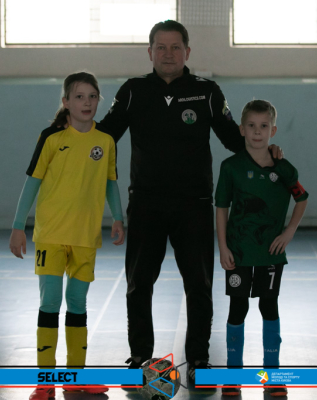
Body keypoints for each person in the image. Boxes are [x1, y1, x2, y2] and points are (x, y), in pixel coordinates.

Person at [95, 20, 283, 382]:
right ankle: (140, 356)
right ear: (150, 52)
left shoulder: (206, 92)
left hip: (193, 205)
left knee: (199, 285)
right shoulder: (133, 91)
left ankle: (198, 358)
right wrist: (68, 131)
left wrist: (267, 150)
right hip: (146, 204)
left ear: (187, 52)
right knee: (139, 284)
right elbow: (104, 135)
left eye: (175, 47)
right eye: (161, 47)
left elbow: (234, 139)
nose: (168, 54)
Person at [8, 72, 125, 400]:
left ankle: (75, 377)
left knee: (77, 303)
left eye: (92, 96)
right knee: (50, 303)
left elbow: (110, 182)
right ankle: (45, 382)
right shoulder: (51, 137)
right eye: (79, 97)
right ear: (66, 102)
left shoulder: (106, 141)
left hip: (85, 237)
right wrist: (18, 226)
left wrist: (118, 217)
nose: (87, 103)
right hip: (51, 235)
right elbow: (32, 181)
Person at [214, 100, 308, 397]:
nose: (257, 132)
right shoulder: (231, 167)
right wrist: (222, 246)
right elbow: (221, 208)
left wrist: (289, 232)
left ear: (273, 131)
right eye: (251, 126)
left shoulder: (283, 169)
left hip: (270, 252)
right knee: (237, 308)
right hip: (238, 252)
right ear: (242, 129)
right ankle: (233, 375)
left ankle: (273, 375)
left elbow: (302, 198)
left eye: (264, 126)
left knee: (269, 307)